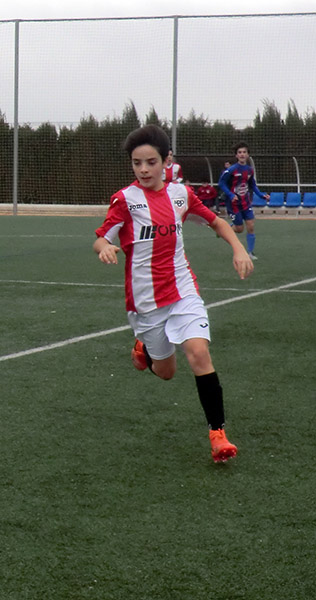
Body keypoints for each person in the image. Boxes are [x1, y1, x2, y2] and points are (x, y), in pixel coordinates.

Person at [93, 124, 254, 464]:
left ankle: (218, 434)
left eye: (150, 162)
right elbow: (102, 236)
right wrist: (104, 247)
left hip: (183, 290)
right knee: (166, 372)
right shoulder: (125, 200)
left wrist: (238, 249)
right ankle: (145, 349)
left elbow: (216, 222)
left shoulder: (181, 194)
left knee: (198, 353)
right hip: (146, 302)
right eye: (137, 163)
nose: (144, 169)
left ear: (166, 161)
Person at [218, 142, 269, 259]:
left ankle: (250, 252)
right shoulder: (231, 170)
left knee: (251, 226)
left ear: (248, 155)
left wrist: (261, 195)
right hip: (233, 204)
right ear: (236, 155)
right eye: (239, 152)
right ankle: (224, 229)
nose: (242, 154)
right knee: (239, 229)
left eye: (244, 152)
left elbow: (252, 185)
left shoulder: (250, 170)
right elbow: (221, 183)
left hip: (246, 202)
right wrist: (230, 195)